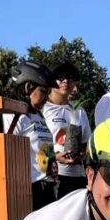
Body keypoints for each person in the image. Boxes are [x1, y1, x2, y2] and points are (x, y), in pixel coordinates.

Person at [11, 61, 59, 211]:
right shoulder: (13, 117)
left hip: (47, 188)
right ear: (28, 87)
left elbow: (41, 149)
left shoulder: (38, 116)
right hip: (29, 192)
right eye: (44, 91)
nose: (47, 97)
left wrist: (53, 161)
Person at [42, 61, 92, 198]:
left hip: (78, 176)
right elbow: (36, 143)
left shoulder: (79, 110)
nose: (65, 82)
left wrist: (81, 155)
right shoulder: (43, 109)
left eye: (70, 78)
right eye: (60, 78)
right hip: (53, 176)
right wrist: (56, 157)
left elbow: (86, 143)